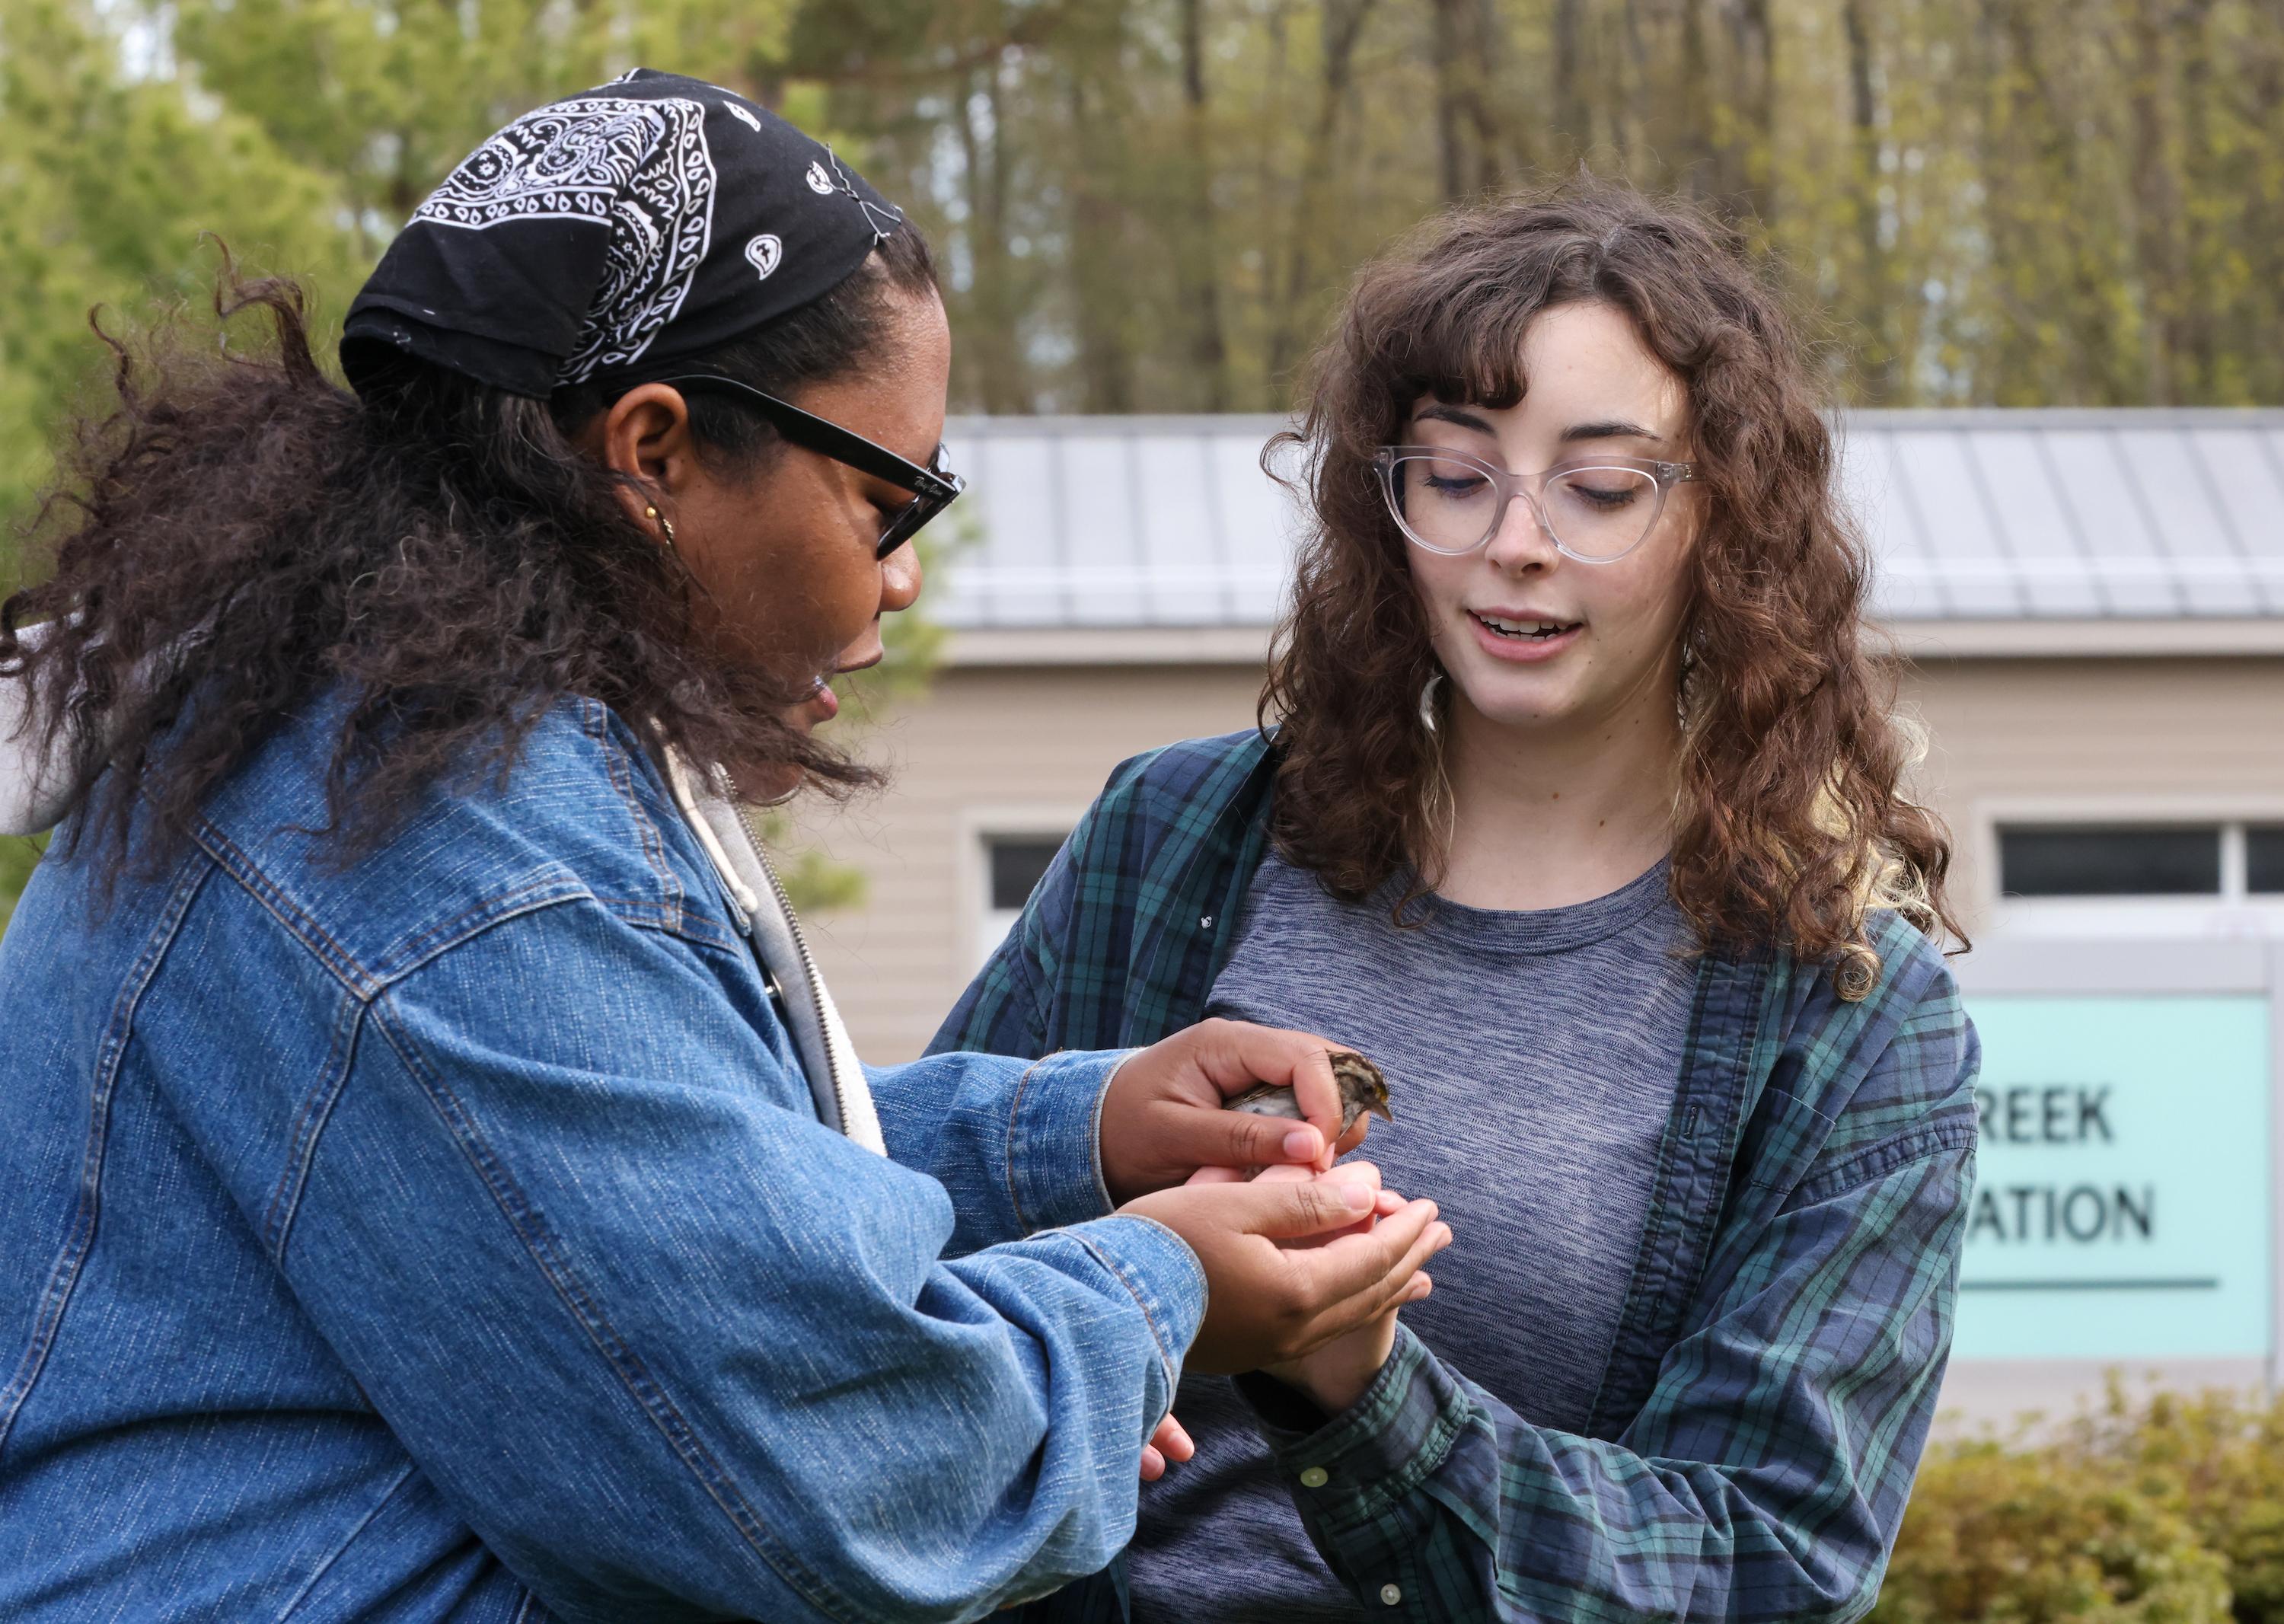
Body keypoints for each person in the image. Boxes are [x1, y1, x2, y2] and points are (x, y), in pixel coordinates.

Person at [0, 72, 1450, 1622]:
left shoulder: (395, 728)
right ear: (655, 450)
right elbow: (840, 1484)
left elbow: (631, 1162)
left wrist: (1075, 1136)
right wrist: (1164, 1288)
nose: (899, 580)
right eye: (886, 498)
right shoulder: (456, 838)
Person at [934, 180, 1980, 1623]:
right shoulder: (1171, 837)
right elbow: (885, 1247)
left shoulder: (1853, 1015)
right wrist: (1117, 1225)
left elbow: (1768, 1570)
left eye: (1603, 488)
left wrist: (1363, 1384)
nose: (1518, 540)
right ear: (1389, 501)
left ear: (1726, 527)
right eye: (1457, 472)